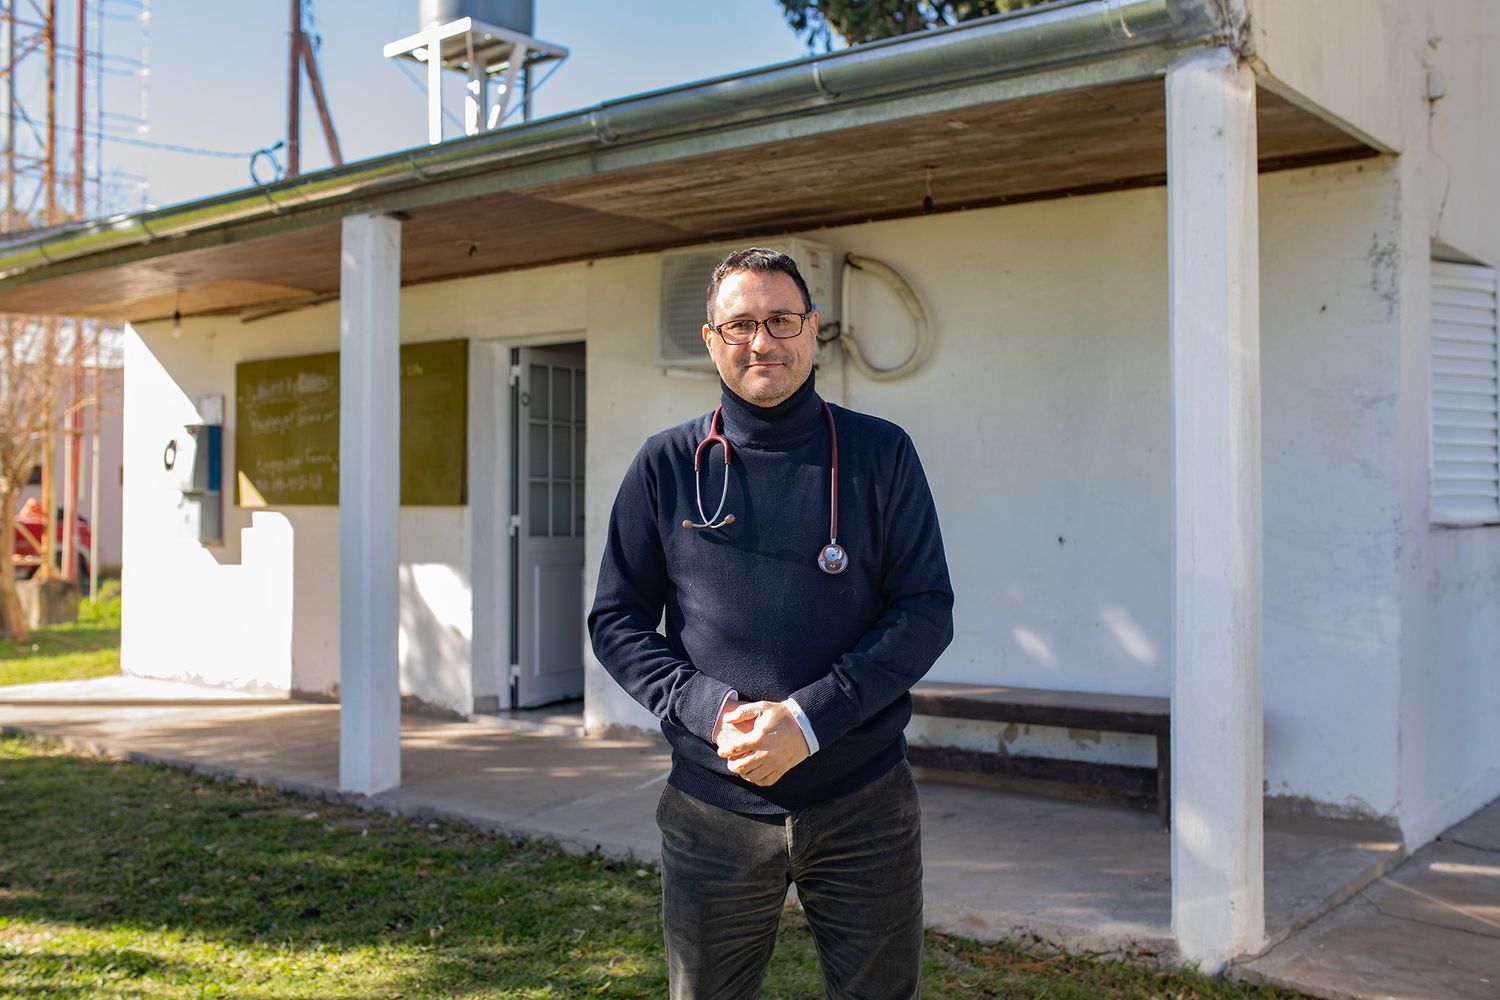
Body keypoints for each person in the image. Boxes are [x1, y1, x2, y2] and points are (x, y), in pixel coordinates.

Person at [588, 247, 954, 1000]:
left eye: (781, 319)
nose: (764, 340)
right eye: (742, 323)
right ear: (712, 339)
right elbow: (617, 619)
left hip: (865, 804)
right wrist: (711, 710)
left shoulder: (880, 455)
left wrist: (811, 720)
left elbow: (924, 610)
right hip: (713, 811)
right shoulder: (665, 466)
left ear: (813, 330)